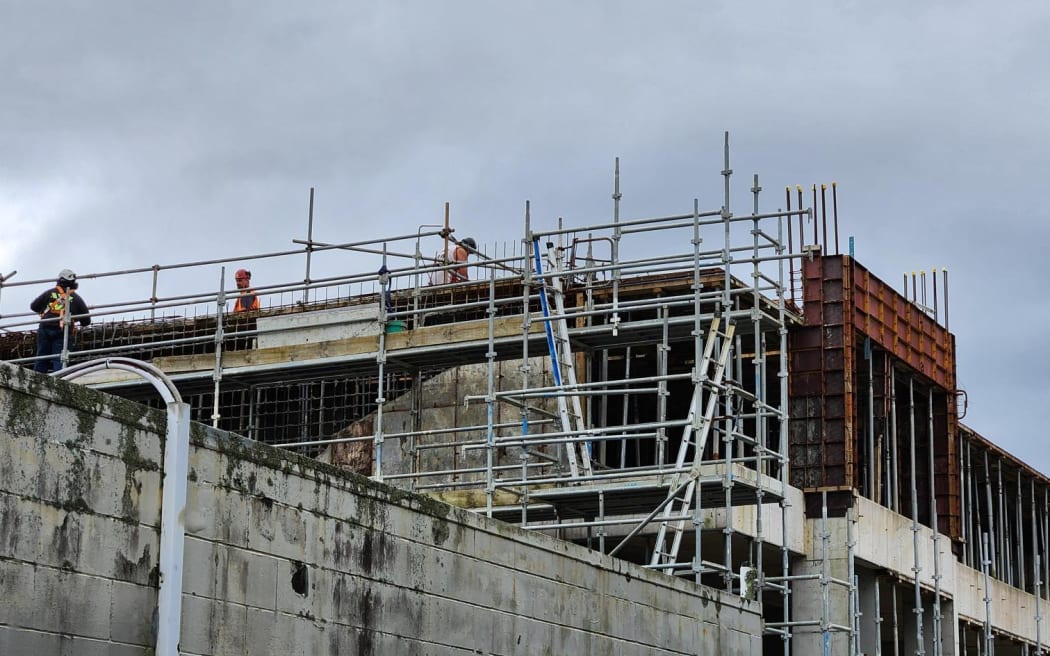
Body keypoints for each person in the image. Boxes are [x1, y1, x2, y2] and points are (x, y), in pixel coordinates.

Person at [29, 269, 90, 373]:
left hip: (45, 326)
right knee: (60, 359)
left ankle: (36, 381)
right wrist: (75, 317)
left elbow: (34, 306)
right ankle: (60, 379)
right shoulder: (76, 298)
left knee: (42, 357)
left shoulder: (49, 293)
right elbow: (86, 321)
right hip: (63, 330)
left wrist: (46, 312)